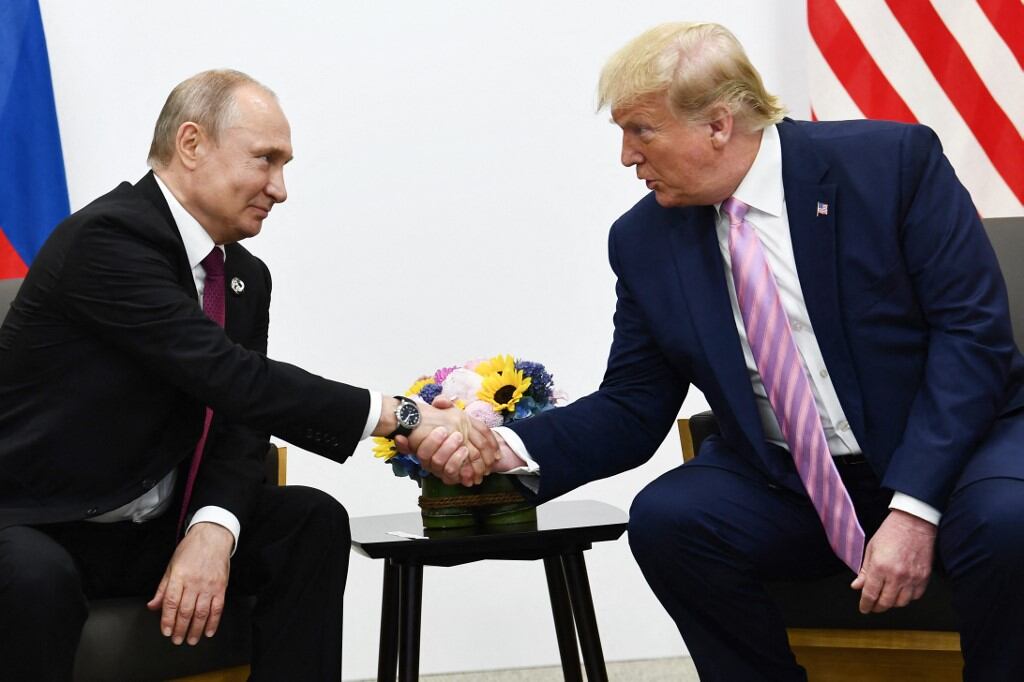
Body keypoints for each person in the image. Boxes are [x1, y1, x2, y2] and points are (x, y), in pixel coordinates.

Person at [412, 22, 1024, 681]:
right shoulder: (644, 240)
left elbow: (972, 339)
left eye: (641, 131)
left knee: (1007, 521)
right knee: (672, 519)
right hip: (792, 482)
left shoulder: (890, 165)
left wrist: (915, 507)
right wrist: (504, 448)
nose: (626, 157)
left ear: (718, 125)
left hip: (955, 456)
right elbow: (633, 405)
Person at [0, 69, 497, 681]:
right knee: (35, 578)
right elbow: (232, 377)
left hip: (146, 526)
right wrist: (402, 415)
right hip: (36, 519)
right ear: (191, 144)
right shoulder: (106, 239)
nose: (280, 189)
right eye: (265, 160)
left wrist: (214, 527)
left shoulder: (244, 276)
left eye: (284, 165)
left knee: (309, 522)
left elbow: (240, 421)